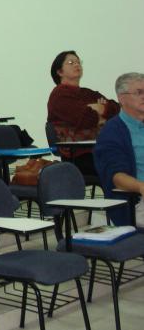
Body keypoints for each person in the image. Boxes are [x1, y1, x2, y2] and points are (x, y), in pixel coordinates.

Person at [47, 50, 118, 175]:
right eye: (71, 62)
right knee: (124, 167)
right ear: (59, 72)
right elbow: (87, 119)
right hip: (79, 157)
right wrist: (101, 111)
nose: (77, 64)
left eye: (78, 62)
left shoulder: (87, 93)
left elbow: (116, 109)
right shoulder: (59, 95)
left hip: (100, 149)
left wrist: (99, 109)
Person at [94, 72, 144, 227]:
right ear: (122, 98)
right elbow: (117, 177)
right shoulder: (112, 132)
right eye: (139, 92)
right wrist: (142, 187)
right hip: (136, 201)